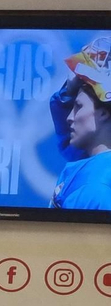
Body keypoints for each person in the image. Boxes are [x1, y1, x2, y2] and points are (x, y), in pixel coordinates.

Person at [49, 76, 111, 210]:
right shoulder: (92, 162)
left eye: (78, 106)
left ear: (103, 114)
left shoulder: (95, 189)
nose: (69, 118)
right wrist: (68, 91)